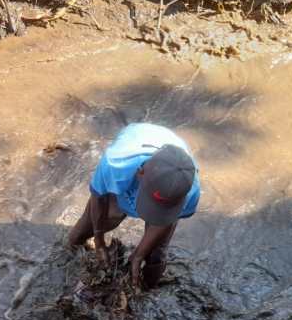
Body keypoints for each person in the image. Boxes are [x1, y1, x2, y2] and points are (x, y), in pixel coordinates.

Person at [68, 123, 200, 289]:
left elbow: (165, 222)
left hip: (167, 166)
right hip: (136, 144)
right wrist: (99, 240)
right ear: (140, 173)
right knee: (77, 237)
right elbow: (99, 198)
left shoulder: (189, 189)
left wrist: (139, 255)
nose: (153, 212)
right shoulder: (116, 165)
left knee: (156, 256)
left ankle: (147, 294)